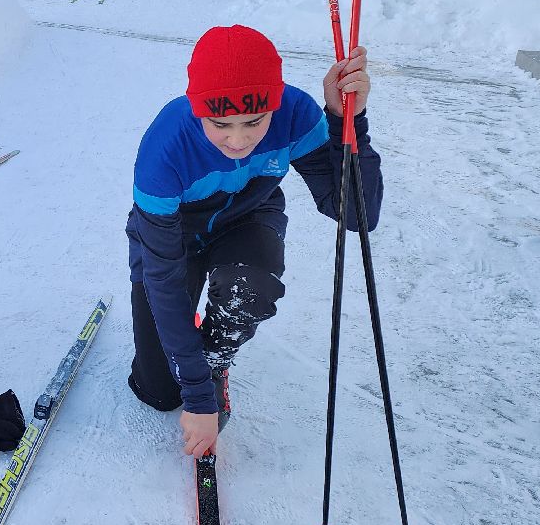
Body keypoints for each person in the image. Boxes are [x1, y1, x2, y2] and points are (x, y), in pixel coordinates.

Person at [127, 25, 382, 457]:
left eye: (254, 121)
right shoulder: (164, 150)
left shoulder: (295, 114)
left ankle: (214, 355)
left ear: (274, 105)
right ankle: (188, 351)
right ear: (197, 109)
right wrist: (197, 399)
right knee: (160, 393)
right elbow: (163, 278)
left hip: (247, 220)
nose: (239, 139)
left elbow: (358, 213)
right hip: (175, 238)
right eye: (220, 123)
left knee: (249, 289)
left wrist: (347, 120)